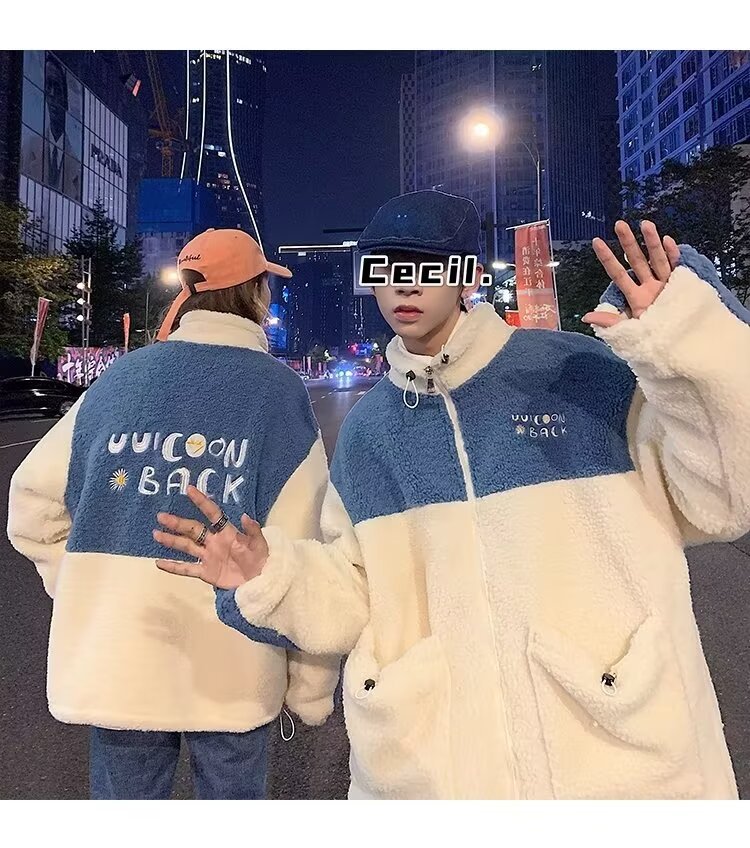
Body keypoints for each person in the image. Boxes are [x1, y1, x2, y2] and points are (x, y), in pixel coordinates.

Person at [153, 190, 750, 800]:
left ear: (468, 275)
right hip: (433, 773)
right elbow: (354, 591)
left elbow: (724, 498)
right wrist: (269, 577)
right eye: (384, 269)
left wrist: (684, 347)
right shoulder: (369, 429)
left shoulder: (575, 372)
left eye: (427, 267)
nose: (404, 286)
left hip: (619, 757)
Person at [7, 228, 340, 800]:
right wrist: (309, 683)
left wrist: (89, 584)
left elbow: (33, 505)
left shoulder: (119, 380)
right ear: (255, 291)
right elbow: (306, 544)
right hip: (234, 655)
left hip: (120, 651)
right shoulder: (276, 391)